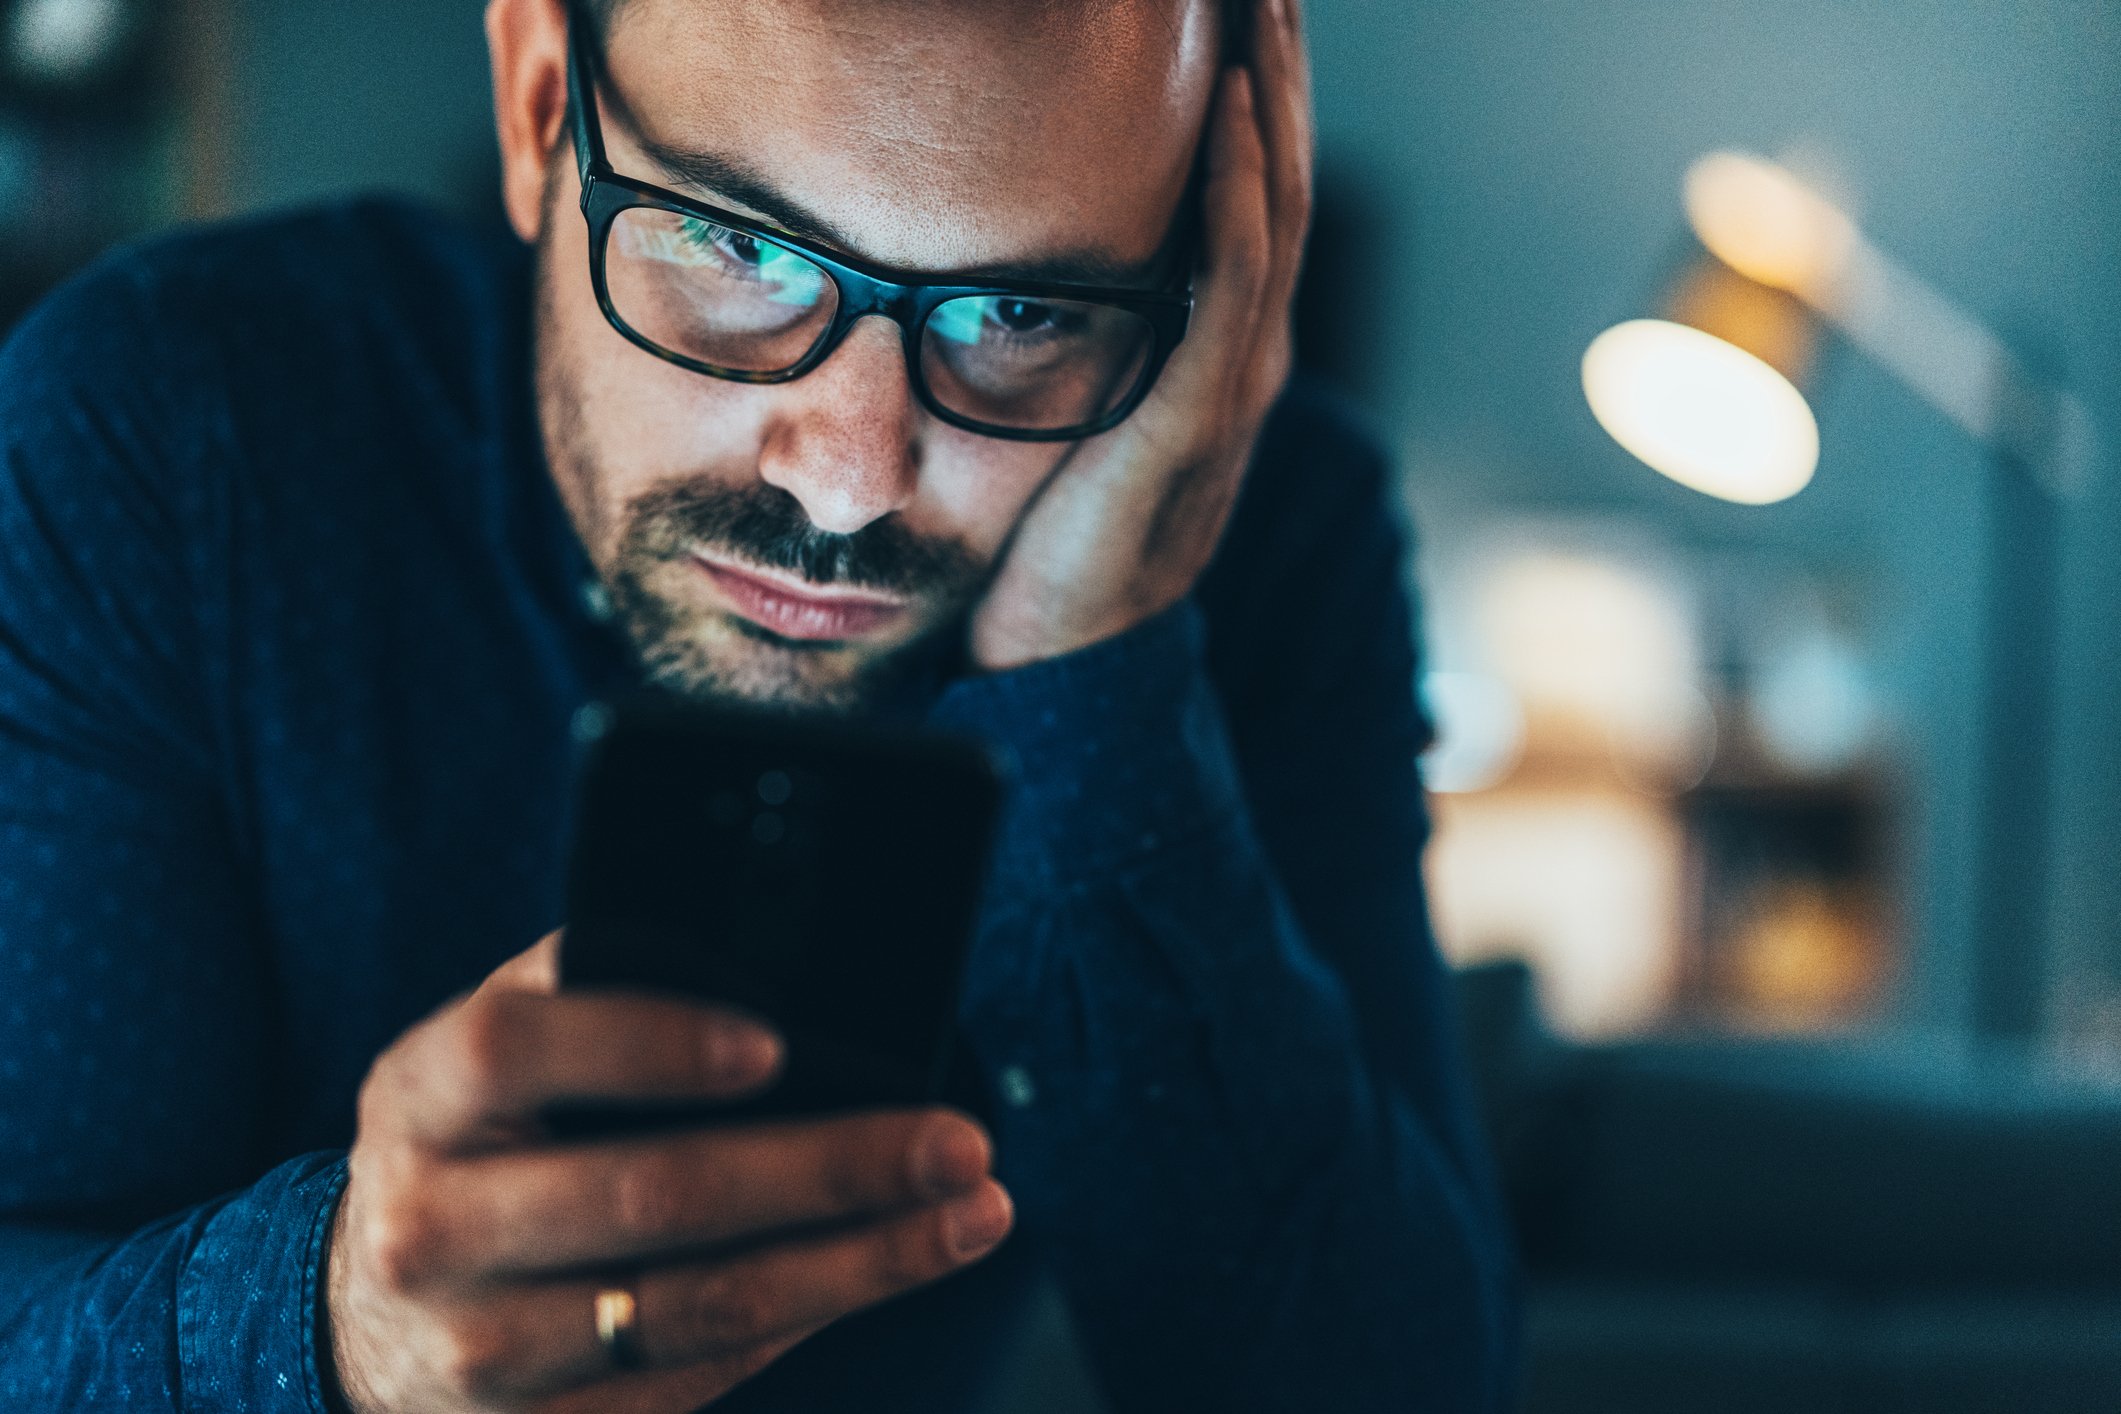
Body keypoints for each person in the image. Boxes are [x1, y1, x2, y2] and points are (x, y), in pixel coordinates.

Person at [0, 0, 1516, 1408]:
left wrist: (1095, 677)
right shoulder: (171, 432)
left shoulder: (1270, 536)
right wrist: (334, 1326)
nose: (848, 483)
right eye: (740, 251)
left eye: (1021, 314)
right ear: (543, 110)